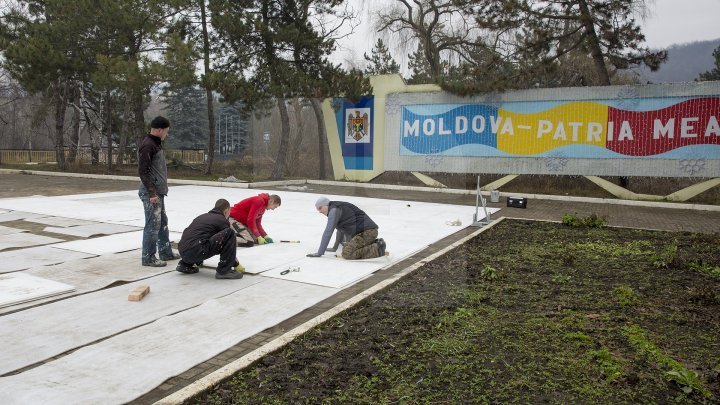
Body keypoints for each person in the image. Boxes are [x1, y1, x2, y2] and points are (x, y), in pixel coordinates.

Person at [138, 116, 179, 267]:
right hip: (151, 193)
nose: (167, 134)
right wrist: (152, 193)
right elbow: (143, 172)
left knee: (162, 222)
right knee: (153, 224)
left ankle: (165, 252)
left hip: (158, 192)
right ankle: (148, 257)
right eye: (166, 131)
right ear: (160, 130)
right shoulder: (148, 145)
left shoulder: (156, 144)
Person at [176, 199, 245, 279]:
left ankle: (184, 265)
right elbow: (227, 241)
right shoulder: (222, 220)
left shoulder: (202, 217)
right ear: (226, 211)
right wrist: (236, 263)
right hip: (197, 250)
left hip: (183, 252)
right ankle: (224, 271)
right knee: (230, 233)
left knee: (198, 239)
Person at [307, 197, 388, 260]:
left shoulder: (334, 210)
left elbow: (328, 231)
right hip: (368, 232)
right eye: (318, 209)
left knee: (347, 254)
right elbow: (340, 229)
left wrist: (319, 253)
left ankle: (377, 249)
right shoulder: (336, 207)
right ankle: (375, 243)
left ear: (326, 205)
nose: (319, 211)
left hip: (367, 232)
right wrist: (335, 247)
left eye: (320, 208)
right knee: (347, 247)